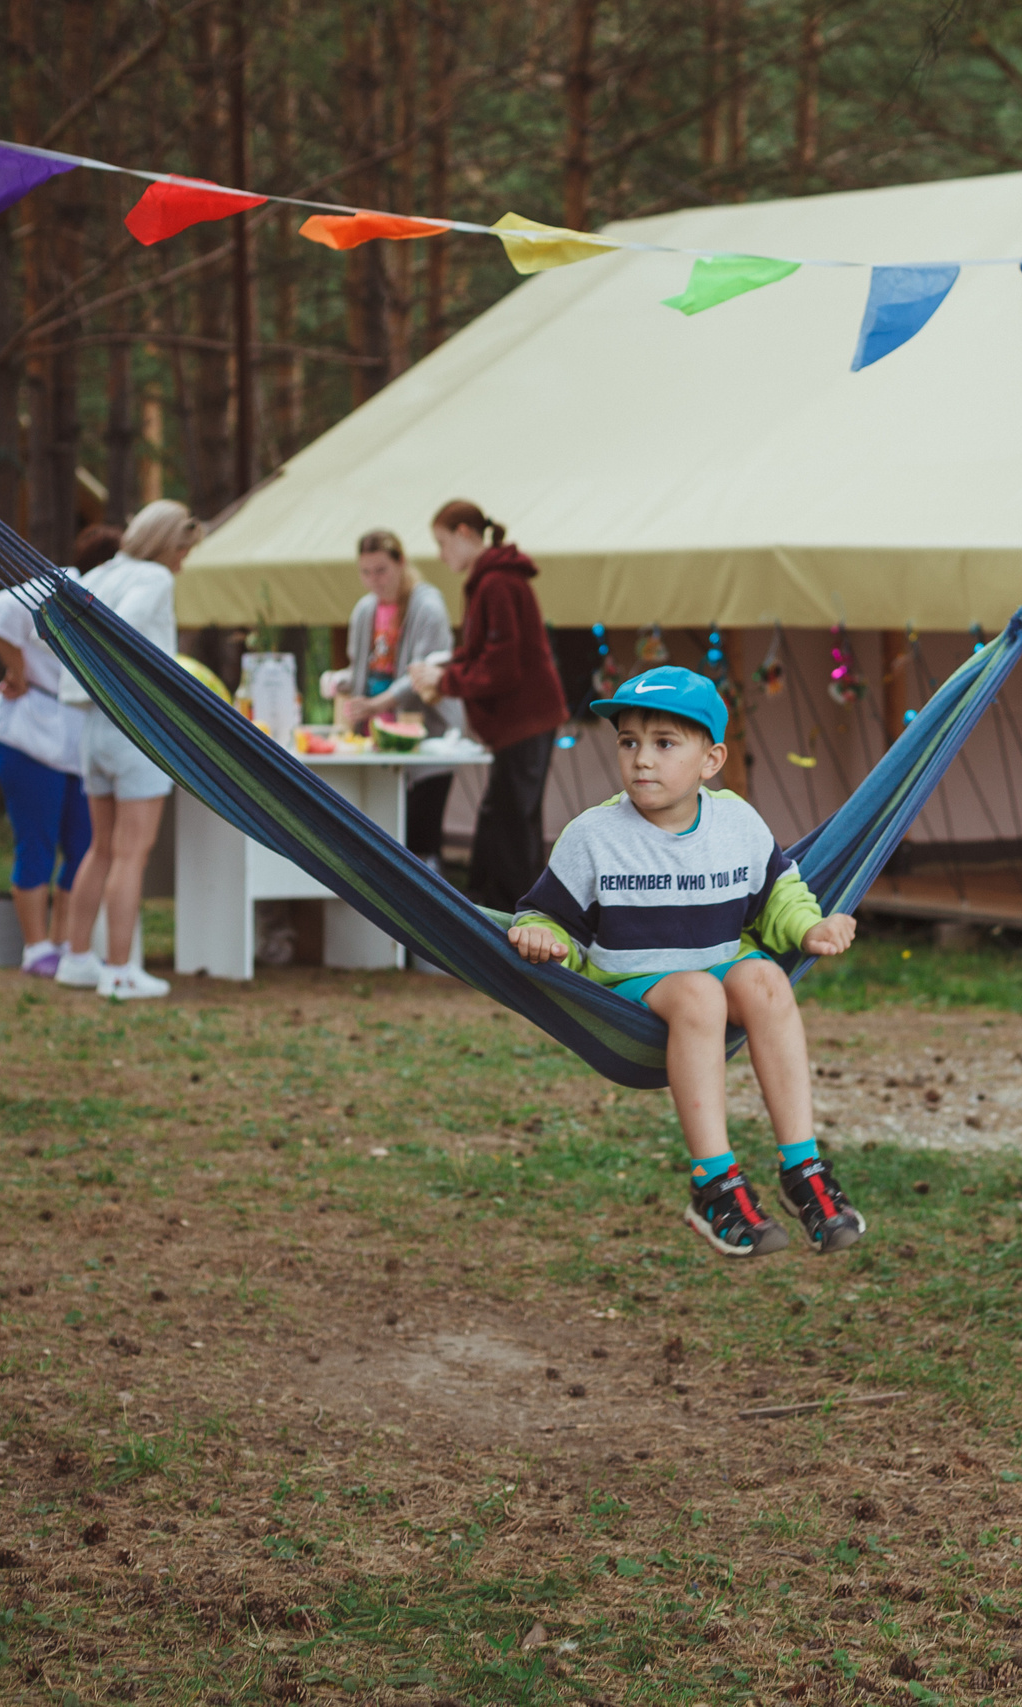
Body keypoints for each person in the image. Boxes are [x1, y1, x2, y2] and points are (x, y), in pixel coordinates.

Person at [506, 667, 866, 1259]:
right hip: (631, 988)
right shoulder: (593, 836)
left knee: (768, 979)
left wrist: (811, 926)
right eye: (629, 742)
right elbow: (547, 918)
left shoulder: (739, 825)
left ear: (711, 759)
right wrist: (543, 939)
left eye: (664, 743)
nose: (642, 759)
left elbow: (780, 896)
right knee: (699, 994)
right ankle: (713, 1182)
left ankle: (803, 1168)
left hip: (720, 965)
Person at [54, 501, 203, 1002]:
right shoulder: (154, 579)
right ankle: (119, 970)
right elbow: (123, 627)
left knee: (101, 847)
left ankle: (77, 959)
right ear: (169, 545)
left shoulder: (103, 572)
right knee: (131, 854)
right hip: (136, 726)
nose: (184, 562)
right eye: (184, 550)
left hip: (93, 726)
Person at [407, 501, 564, 910]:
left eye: (442, 543)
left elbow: (502, 665)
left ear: (463, 533)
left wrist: (446, 680)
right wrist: (446, 665)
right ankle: (495, 905)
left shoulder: (497, 583)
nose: (441, 555)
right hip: (516, 723)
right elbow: (481, 651)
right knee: (504, 814)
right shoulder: (489, 581)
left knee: (512, 819)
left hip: (525, 719)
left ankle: (515, 911)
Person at [0, 535, 102, 975]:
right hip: (26, 733)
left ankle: (67, 942)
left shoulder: (115, 595)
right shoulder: (62, 586)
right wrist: (17, 670)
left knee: (84, 843)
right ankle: (36, 947)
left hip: (74, 737)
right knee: (37, 842)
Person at [325, 528, 459, 863]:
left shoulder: (428, 606)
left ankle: (431, 903)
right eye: (366, 572)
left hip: (426, 738)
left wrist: (375, 704)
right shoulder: (364, 611)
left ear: (400, 563)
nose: (374, 580)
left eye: (381, 570)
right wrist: (340, 683)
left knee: (420, 836)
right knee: (382, 831)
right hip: (376, 740)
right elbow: (364, 670)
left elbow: (423, 673)